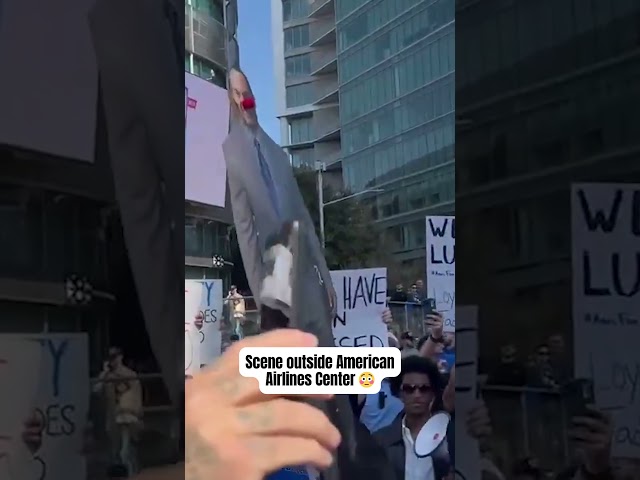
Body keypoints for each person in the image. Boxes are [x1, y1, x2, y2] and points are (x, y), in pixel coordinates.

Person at [222, 67, 337, 327]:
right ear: (231, 101)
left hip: (307, 275)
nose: (244, 101)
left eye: (247, 93)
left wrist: (326, 278)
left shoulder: (277, 153)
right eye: (236, 95)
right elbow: (245, 231)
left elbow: (304, 218)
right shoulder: (232, 154)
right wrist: (260, 292)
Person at [93, 346, 143, 476]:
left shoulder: (130, 374)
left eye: (114, 357)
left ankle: (132, 475)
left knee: (126, 452)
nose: (112, 361)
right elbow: (96, 390)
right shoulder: (106, 376)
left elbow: (136, 396)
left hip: (127, 415)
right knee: (115, 453)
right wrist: (104, 374)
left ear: (120, 357)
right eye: (110, 358)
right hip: (112, 417)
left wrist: (137, 414)